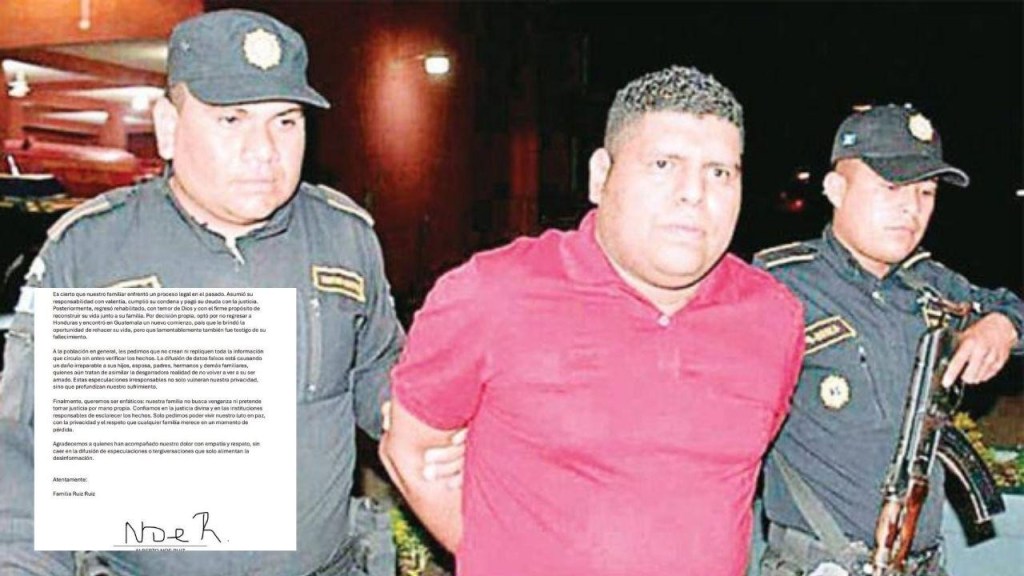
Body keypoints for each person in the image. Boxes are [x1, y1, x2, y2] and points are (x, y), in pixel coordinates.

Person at [0, 9, 411, 576]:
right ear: (169, 127)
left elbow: (382, 376)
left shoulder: (343, 237)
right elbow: (23, 454)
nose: (263, 150)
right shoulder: (95, 253)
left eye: (285, 121)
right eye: (231, 120)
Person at [380, 65, 806, 576]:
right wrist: (501, 554)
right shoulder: (493, 295)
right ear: (601, 176)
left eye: (719, 172)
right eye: (664, 164)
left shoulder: (774, 319)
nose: (694, 193)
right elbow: (412, 454)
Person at [754, 104, 1023, 576]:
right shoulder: (779, 287)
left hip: (921, 564)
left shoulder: (932, 285)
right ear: (836, 190)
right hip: (819, 564)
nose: (911, 209)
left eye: (926, 192)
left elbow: (1010, 305)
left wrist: (1003, 325)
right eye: (892, 187)